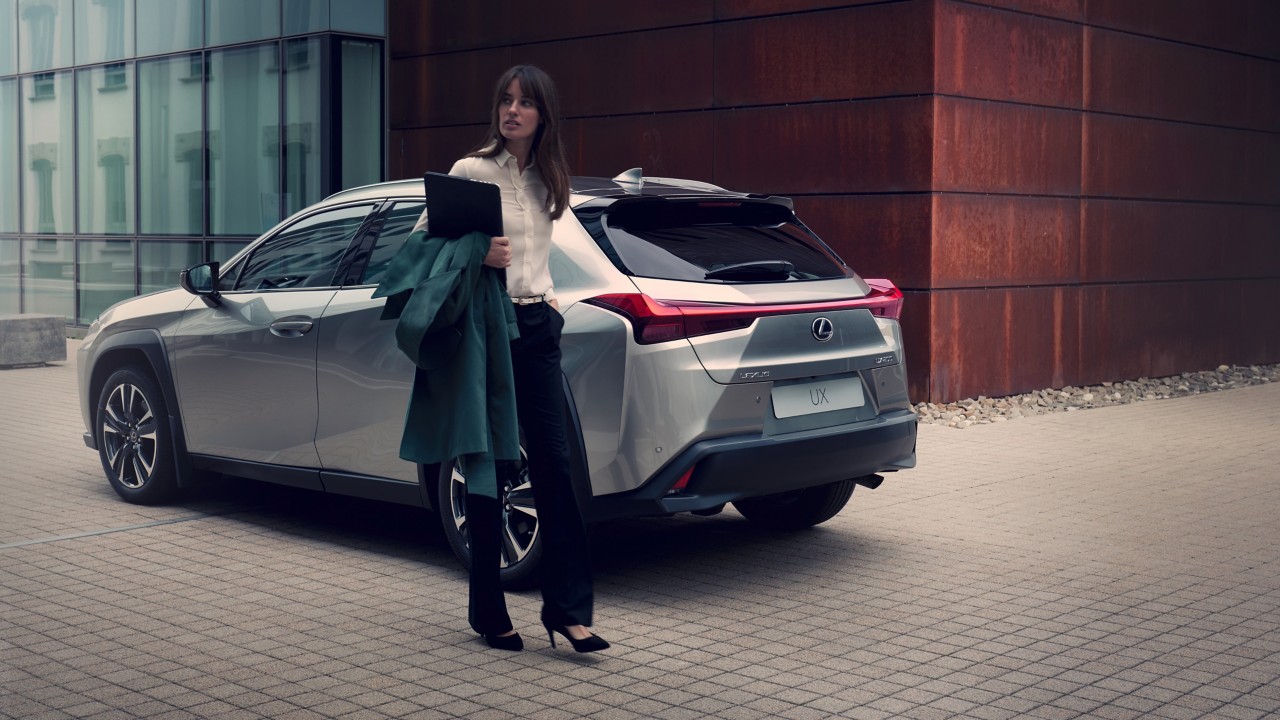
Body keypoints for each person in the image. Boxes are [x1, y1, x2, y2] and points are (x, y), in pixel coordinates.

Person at [450, 65, 607, 653]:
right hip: (490, 329)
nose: (512, 110)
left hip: (538, 326)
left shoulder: (549, 179)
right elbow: (421, 244)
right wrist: (476, 250)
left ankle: (566, 610)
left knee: (556, 466)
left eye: (526, 103)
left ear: (545, 114)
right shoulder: (471, 171)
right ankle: (489, 611)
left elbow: (542, 255)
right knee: (491, 467)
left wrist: (550, 300)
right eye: (506, 100)